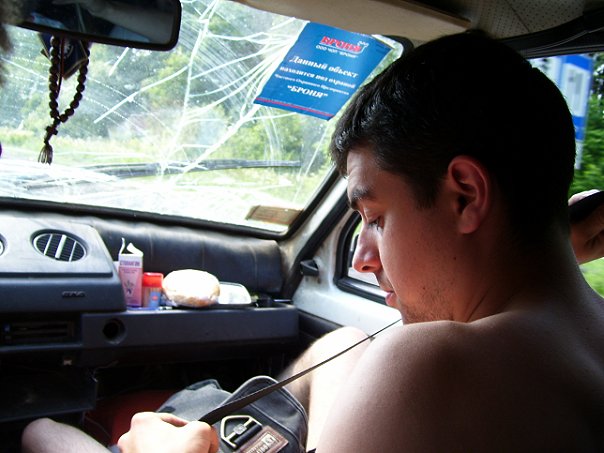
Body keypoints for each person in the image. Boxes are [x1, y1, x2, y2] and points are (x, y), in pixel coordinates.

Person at [21, 30, 604, 452]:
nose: (363, 258)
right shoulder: (571, 340)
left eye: (374, 217)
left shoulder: (434, 368)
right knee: (345, 342)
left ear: (466, 196)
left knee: (42, 432)